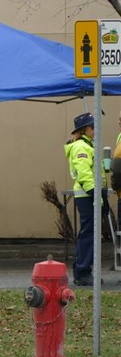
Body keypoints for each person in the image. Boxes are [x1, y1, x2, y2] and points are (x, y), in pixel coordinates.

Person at [65, 112, 103, 287]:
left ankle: (82, 269)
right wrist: (95, 192)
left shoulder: (87, 145)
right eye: (92, 127)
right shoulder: (82, 147)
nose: (95, 130)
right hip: (88, 195)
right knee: (88, 235)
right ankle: (83, 271)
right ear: (85, 130)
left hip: (90, 194)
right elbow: (84, 173)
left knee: (88, 234)